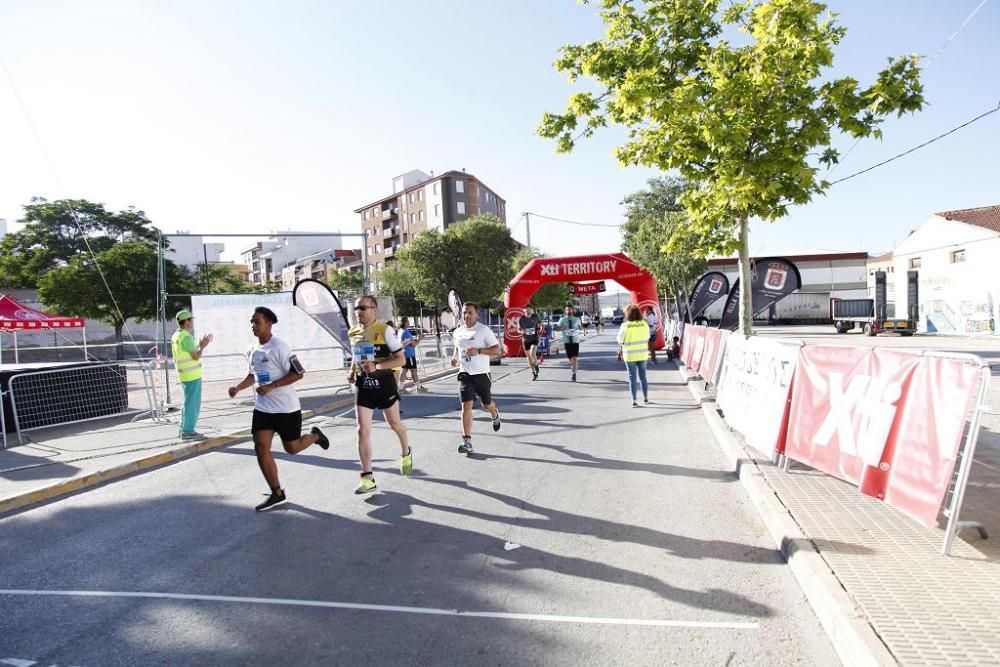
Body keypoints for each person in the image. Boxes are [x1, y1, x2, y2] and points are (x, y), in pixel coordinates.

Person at [227, 307, 330, 512]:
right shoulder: (251, 350)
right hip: (263, 409)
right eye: (252, 322)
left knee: (292, 449)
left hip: (286, 409)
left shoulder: (280, 347)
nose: (253, 326)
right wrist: (238, 387)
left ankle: (315, 436)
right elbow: (253, 375)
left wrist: (272, 386)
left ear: (269, 324)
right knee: (260, 447)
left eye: (257, 322)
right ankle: (277, 493)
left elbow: (299, 373)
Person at [347, 295, 411, 494]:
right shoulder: (353, 332)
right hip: (364, 385)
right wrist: (351, 370)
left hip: (384, 383)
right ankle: (367, 477)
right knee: (362, 430)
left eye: (363, 308)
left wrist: (377, 366)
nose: (359, 312)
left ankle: (406, 452)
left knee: (394, 424)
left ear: (374, 310)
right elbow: (357, 355)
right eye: (357, 308)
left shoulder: (385, 331)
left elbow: (400, 359)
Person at [451, 302, 502, 454]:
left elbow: (497, 351)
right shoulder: (458, 331)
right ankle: (467, 441)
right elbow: (457, 346)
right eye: (464, 313)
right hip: (465, 374)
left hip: (482, 374)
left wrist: (479, 351)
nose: (466, 315)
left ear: (477, 314)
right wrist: (454, 358)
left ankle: (494, 413)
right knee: (466, 406)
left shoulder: (484, 330)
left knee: (486, 404)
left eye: (470, 313)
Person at [171, 309, 213, 440]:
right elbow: (195, 356)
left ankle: (183, 429)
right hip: (192, 375)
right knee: (192, 404)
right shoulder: (186, 337)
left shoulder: (176, 336)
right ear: (185, 322)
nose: (192, 322)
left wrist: (199, 345)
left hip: (184, 375)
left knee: (187, 403)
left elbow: (188, 352)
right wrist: (203, 346)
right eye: (190, 320)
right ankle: (188, 431)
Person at [617, 304, 650, 407]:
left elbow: (619, 340)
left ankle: (634, 400)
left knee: (632, 377)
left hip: (630, 355)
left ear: (628, 314)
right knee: (643, 376)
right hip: (642, 354)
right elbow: (648, 337)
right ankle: (645, 398)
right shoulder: (644, 324)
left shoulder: (625, 326)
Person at [398, 317, 427, 392]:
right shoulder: (406, 332)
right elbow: (413, 344)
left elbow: (410, 342)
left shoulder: (400, 331)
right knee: (413, 371)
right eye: (408, 321)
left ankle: (401, 388)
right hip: (409, 355)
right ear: (405, 322)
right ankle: (419, 388)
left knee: (404, 370)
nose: (409, 323)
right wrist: (419, 339)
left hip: (404, 354)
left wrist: (416, 339)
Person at [555, 305, 583, 381]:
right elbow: (556, 328)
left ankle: (574, 374)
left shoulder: (577, 319)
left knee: (575, 358)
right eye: (567, 310)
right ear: (565, 311)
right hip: (567, 342)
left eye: (570, 310)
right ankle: (573, 364)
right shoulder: (562, 319)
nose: (568, 311)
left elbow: (581, 327)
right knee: (570, 359)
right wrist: (562, 328)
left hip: (575, 341)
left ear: (572, 310)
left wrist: (581, 328)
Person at [517, 305, 542, 381]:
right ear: (523, 310)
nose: (527, 310)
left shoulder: (535, 317)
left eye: (529, 309)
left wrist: (540, 332)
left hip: (534, 338)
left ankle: (536, 365)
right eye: (526, 309)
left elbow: (541, 325)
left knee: (532, 353)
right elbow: (518, 330)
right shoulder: (521, 319)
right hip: (525, 340)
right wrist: (522, 331)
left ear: (531, 310)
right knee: (528, 357)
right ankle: (533, 372)